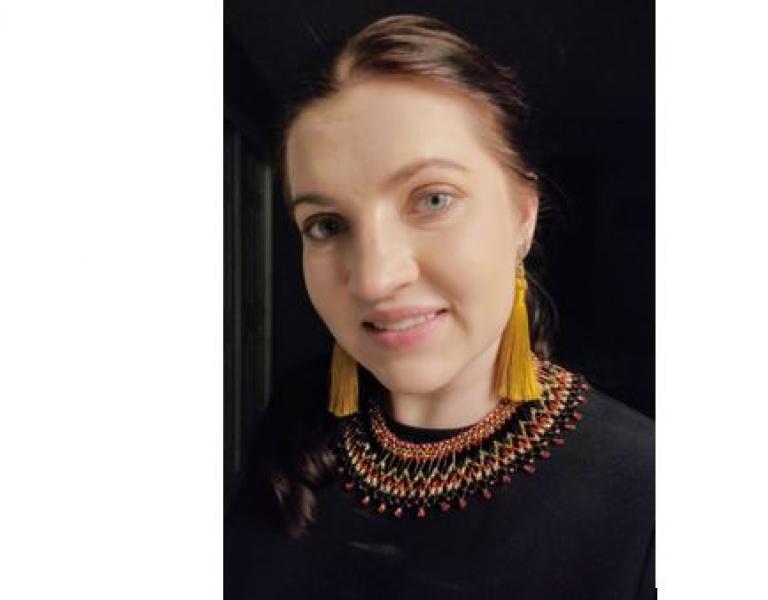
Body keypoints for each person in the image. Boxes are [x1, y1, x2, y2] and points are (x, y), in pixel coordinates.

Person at [225, 14, 654, 599]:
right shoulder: (290, 426)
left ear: (523, 216)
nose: (374, 279)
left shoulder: (647, 491)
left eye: (432, 199)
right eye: (327, 224)